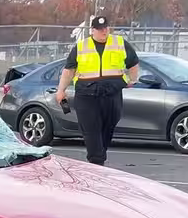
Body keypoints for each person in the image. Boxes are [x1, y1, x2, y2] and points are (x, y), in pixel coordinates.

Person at [55, 15, 139, 166]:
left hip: (111, 96)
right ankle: (96, 164)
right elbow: (69, 70)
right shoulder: (81, 46)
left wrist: (131, 80)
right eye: (100, 29)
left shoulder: (119, 43)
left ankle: (98, 160)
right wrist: (61, 90)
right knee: (92, 133)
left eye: (106, 28)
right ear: (92, 30)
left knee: (107, 130)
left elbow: (133, 63)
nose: (104, 31)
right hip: (87, 96)